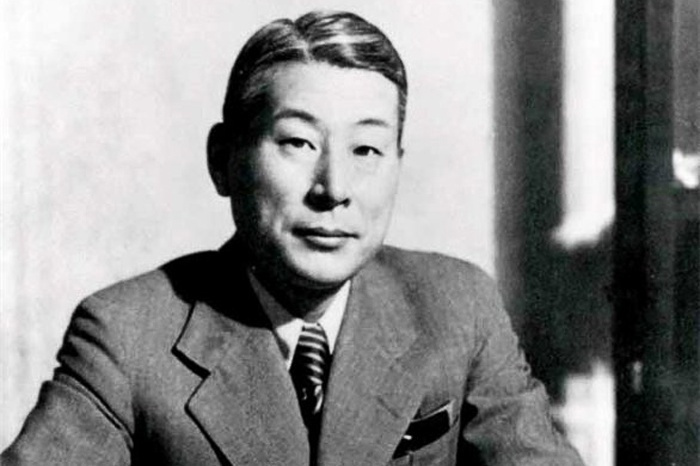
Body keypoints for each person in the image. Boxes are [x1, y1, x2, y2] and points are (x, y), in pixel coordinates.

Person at [1, 10, 584, 466]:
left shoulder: (455, 307)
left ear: (398, 166)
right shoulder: (128, 337)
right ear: (223, 160)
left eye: (367, 149)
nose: (335, 188)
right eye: (299, 143)